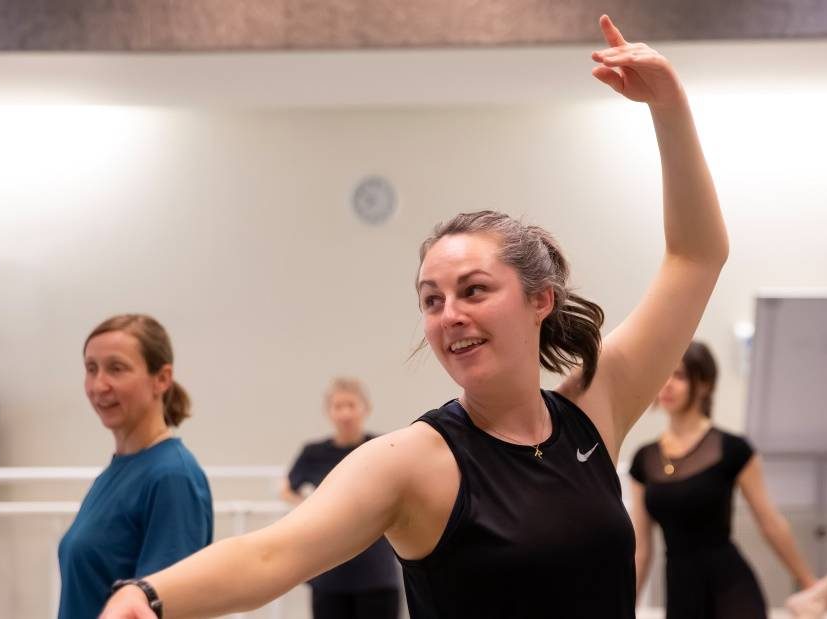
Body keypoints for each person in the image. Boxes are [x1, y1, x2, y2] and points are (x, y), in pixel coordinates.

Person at [101, 14, 728, 618]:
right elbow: (272, 554)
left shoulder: (595, 407)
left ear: (541, 300)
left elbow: (696, 257)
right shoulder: (413, 462)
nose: (449, 315)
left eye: (474, 290)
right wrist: (151, 597)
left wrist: (668, 108)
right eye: (432, 299)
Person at [628, 341, 827, 619]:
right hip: (681, 591)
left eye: (680, 376)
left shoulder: (732, 448)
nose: (668, 385)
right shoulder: (644, 459)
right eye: (664, 374)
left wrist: (810, 586)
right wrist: (625, 608)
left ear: (705, 384)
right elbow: (640, 549)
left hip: (731, 587)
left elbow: (770, 523)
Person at [58, 314, 213, 619]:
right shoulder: (119, 470)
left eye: (116, 368)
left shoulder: (172, 477)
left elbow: (167, 607)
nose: (99, 385)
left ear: (162, 379)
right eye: (91, 369)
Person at [281, 377, 401, 619]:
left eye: (351, 405)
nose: (345, 413)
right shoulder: (313, 452)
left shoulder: (382, 447)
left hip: (376, 572)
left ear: (365, 408)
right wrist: (311, 508)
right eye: (338, 406)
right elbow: (287, 488)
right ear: (329, 411)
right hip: (328, 572)